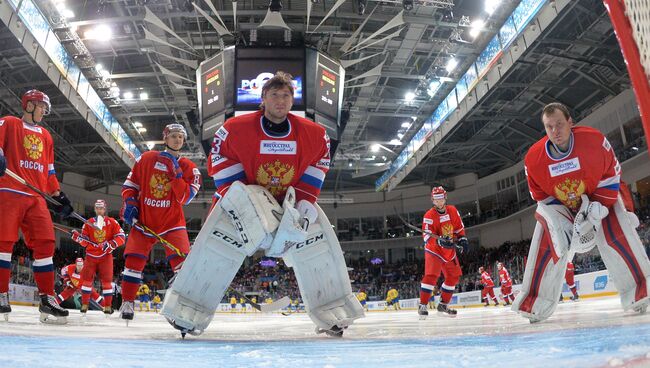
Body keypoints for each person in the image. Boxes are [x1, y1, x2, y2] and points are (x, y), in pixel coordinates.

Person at [161, 72, 363, 337]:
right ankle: (186, 310)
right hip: (241, 202)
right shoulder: (236, 128)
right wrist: (243, 199)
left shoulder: (314, 134)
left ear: (293, 100)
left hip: (287, 201)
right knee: (219, 245)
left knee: (315, 237)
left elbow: (320, 159)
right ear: (263, 99)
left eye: (286, 96)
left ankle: (333, 310)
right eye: (274, 95)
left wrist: (305, 200)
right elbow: (218, 156)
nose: (281, 101)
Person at [513, 102, 650, 323]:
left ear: (570, 122)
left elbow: (612, 174)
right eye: (549, 127)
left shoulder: (593, 140)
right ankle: (535, 301)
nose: (555, 131)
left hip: (597, 198)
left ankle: (639, 288)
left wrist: (599, 207)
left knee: (617, 231)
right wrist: (560, 221)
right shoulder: (534, 159)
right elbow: (542, 198)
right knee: (545, 236)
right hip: (563, 206)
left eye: (559, 124)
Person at [0, 90, 71, 323]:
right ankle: (1, 294)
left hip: (36, 196)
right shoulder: (9, 123)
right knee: (4, 242)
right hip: (10, 190)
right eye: (41, 106)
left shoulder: (46, 136)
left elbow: (49, 171)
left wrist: (59, 196)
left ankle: (47, 299)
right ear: (29, 105)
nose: (44, 111)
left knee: (46, 243)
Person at [118, 123, 201, 321]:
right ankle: (127, 302)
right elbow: (130, 186)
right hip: (144, 221)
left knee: (183, 267)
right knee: (133, 263)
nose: (177, 140)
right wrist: (130, 203)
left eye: (180, 136)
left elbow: (184, 198)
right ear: (165, 138)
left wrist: (176, 173)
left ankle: (181, 307)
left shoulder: (189, 167)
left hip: (172, 223)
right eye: (173, 135)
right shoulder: (146, 158)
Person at [418, 186, 468, 319]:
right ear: (432, 200)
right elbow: (427, 237)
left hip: (449, 250)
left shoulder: (452, 210)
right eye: (436, 199)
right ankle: (422, 305)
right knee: (431, 276)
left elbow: (458, 228)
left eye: (441, 199)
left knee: (454, 276)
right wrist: (438, 242)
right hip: (434, 250)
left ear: (445, 198)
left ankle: (443, 304)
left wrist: (462, 239)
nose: (439, 202)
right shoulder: (429, 215)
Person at [71, 199, 125, 315]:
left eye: (101, 208)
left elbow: (121, 237)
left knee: (106, 282)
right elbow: (85, 242)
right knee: (86, 281)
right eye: (97, 208)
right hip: (90, 256)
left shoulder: (112, 222)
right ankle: (85, 305)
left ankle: (107, 306)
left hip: (106, 256)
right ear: (95, 209)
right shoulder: (88, 223)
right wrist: (78, 238)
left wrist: (111, 244)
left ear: (105, 209)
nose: (99, 210)